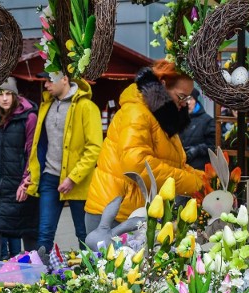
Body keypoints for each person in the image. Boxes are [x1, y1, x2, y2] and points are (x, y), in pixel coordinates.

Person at [85, 59, 203, 231]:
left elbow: (174, 164)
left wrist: (206, 179)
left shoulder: (163, 117)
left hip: (133, 212)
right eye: (181, 96)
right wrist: (195, 183)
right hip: (113, 216)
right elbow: (139, 166)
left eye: (188, 98)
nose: (184, 103)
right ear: (163, 85)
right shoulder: (137, 112)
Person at [25, 71, 103, 251]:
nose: (46, 85)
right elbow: (39, 144)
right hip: (49, 177)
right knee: (44, 232)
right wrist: (33, 174)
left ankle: (89, 275)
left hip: (78, 181)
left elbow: (94, 148)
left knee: (83, 233)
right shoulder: (46, 105)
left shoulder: (87, 107)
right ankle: (42, 275)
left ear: (65, 79)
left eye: (49, 80)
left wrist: (73, 178)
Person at [0, 77, 39, 260]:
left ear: (15, 95)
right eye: (0, 94)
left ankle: (35, 273)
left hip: (18, 183)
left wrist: (26, 182)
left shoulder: (29, 117)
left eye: (8, 94)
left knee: (27, 230)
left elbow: (32, 152)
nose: (4, 98)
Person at [178, 88, 215, 170]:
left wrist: (196, 150)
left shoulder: (207, 121)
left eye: (190, 99)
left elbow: (214, 146)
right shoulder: (177, 120)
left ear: (196, 101)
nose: (188, 102)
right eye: (185, 99)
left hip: (199, 170)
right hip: (179, 169)